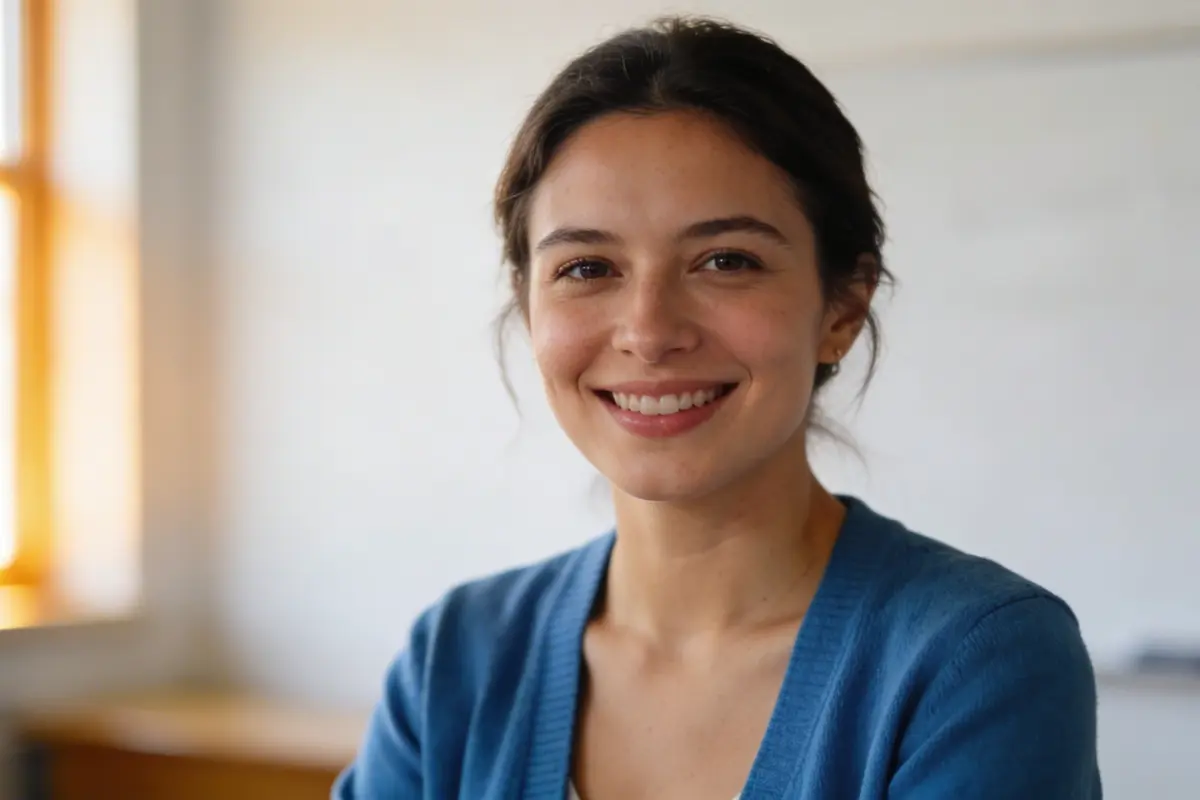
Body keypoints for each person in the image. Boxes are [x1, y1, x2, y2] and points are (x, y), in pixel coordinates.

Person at [334, 15, 1101, 800]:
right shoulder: (457, 660)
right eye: (588, 267)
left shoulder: (975, 659)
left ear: (842, 306)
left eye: (726, 260)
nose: (649, 331)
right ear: (529, 306)